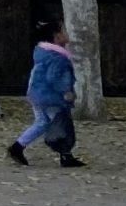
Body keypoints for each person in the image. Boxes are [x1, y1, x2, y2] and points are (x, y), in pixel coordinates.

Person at [10, 20, 83, 168]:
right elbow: (54, 77)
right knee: (62, 125)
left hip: (36, 94)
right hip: (52, 97)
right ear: (56, 37)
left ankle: (17, 147)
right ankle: (66, 156)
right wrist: (66, 91)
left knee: (42, 122)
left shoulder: (42, 53)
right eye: (64, 31)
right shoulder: (59, 58)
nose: (67, 34)